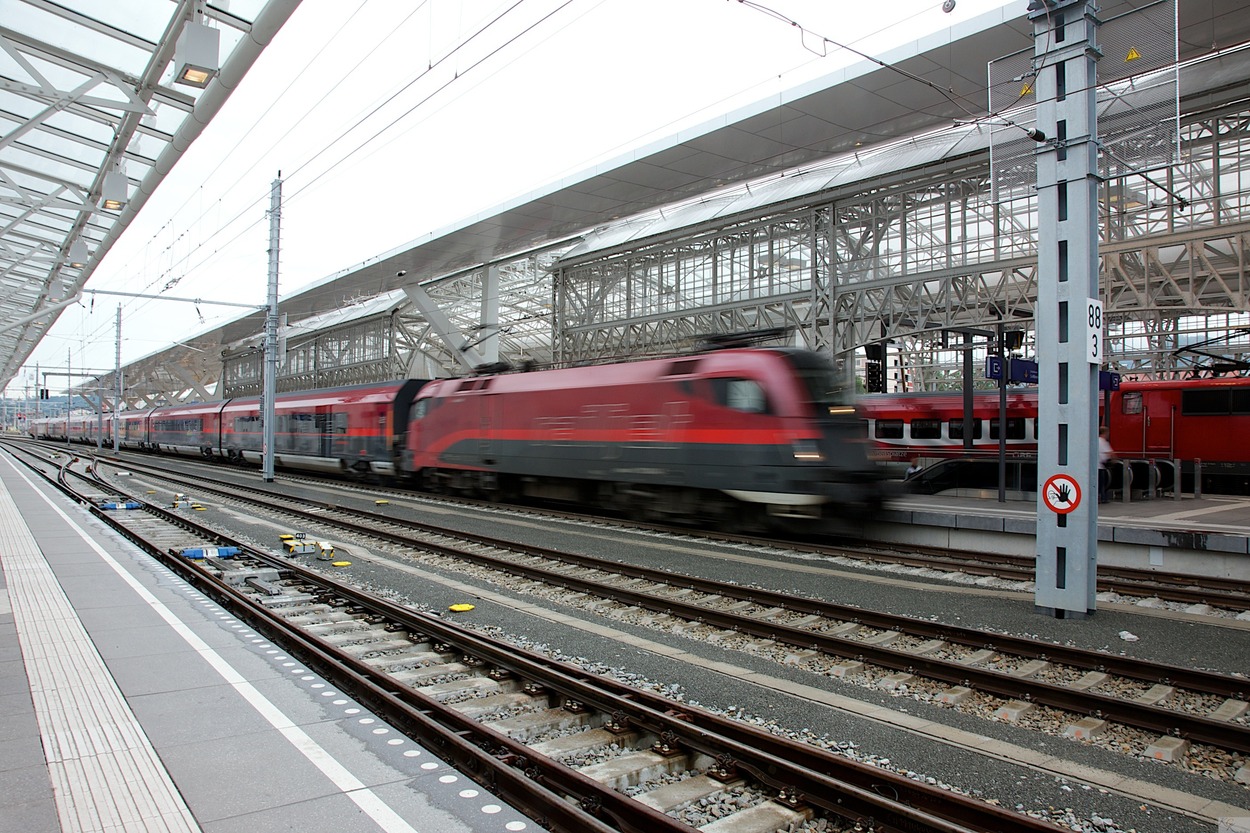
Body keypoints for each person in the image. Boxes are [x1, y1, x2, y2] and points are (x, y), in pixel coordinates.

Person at [1097, 426, 1112, 503]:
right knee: (1102, 484)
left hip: (1095, 466)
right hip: (1101, 466)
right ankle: (1102, 498)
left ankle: (1099, 497)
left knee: (1098, 484)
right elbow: (1109, 453)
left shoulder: (1095, 440)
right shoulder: (1103, 441)